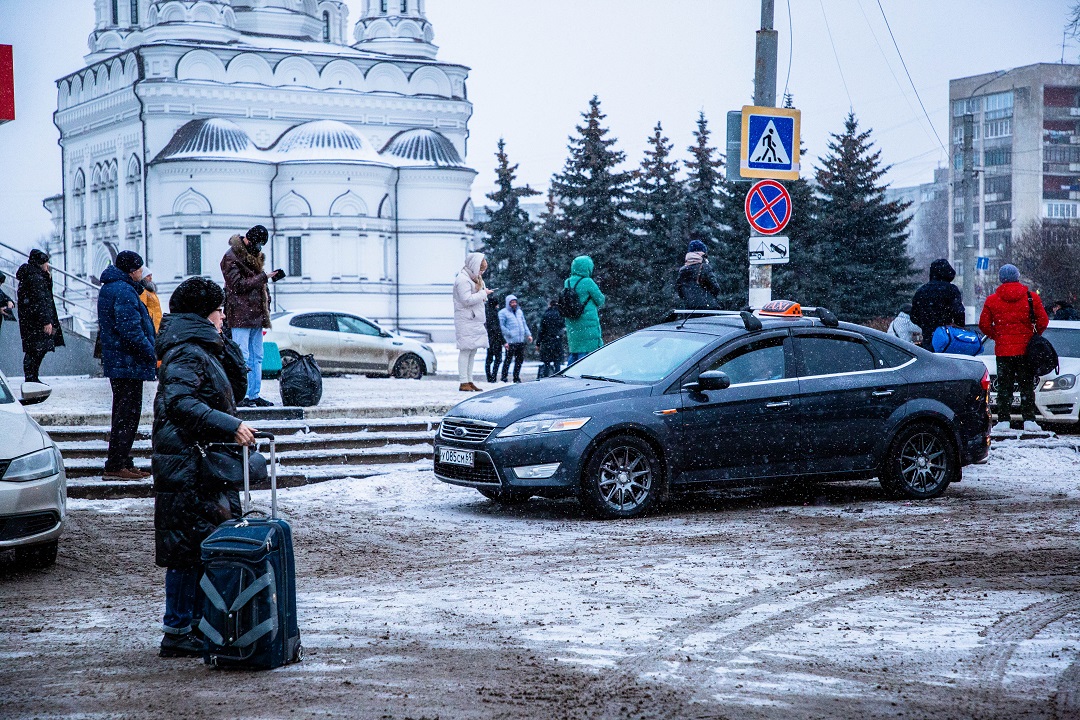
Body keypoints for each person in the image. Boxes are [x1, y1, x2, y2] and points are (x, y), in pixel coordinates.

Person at [152, 276, 254, 658]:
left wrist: (224, 345)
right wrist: (232, 426)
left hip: (200, 463)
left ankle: (192, 623)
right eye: (220, 310)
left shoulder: (201, 348)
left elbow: (232, 391)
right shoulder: (187, 353)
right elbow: (180, 403)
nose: (225, 316)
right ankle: (178, 628)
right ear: (204, 313)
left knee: (196, 545)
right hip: (188, 464)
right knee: (185, 549)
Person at [97, 251, 158, 481]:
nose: (142, 273)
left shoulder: (115, 287)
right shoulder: (122, 290)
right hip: (127, 363)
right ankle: (116, 464)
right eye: (140, 269)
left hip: (123, 362)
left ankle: (122, 460)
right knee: (127, 415)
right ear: (131, 270)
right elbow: (130, 329)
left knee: (125, 413)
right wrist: (151, 352)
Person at [979, 264, 1049, 433]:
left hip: (1003, 351)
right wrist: (1032, 335)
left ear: (1001, 279)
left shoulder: (992, 300)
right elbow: (1043, 321)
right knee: (1026, 386)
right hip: (1026, 350)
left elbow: (984, 325)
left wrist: (999, 336)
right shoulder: (1031, 298)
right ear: (1018, 277)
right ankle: (1029, 420)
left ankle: (1003, 420)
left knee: (1004, 386)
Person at [221, 226, 283, 407]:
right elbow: (237, 285)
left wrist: (267, 282)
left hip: (255, 313)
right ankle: (243, 396)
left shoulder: (250, 254)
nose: (259, 248)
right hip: (240, 314)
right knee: (243, 355)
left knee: (257, 356)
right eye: (258, 244)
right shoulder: (231, 257)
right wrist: (264, 277)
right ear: (248, 239)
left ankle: (254, 395)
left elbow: (254, 284)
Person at [16, 249, 64, 385]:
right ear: (40, 263)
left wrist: (48, 278)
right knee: (36, 350)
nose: (47, 265)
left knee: (35, 349)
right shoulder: (35, 277)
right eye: (46, 262)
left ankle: (32, 378)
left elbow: (42, 297)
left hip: (30, 321)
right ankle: (31, 378)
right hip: (36, 322)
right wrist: (46, 321)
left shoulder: (33, 275)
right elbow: (40, 300)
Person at [453, 252, 492, 392]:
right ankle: (464, 381)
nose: (482, 272)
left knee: (472, 351)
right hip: (466, 320)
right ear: (474, 266)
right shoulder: (463, 280)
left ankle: (469, 380)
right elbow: (466, 300)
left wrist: (483, 294)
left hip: (473, 320)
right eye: (481, 269)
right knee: (465, 351)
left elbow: (475, 298)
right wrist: (483, 294)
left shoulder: (475, 279)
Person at [910, 259, 966, 351]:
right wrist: (956, 327)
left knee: (930, 362)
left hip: (928, 338)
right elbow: (959, 313)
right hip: (948, 339)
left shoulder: (921, 291)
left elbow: (914, 316)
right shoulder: (951, 290)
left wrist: (926, 324)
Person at [563, 255, 605, 365]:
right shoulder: (588, 282)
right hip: (587, 323)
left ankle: (569, 375)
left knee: (575, 352)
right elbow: (600, 299)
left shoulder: (567, 282)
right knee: (587, 355)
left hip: (572, 323)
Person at [675, 239, 722, 310]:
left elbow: (680, 292)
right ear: (702, 253)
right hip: (707, 308)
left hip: (689, 310)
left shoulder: (682, 270)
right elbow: (715, 288)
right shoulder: (705, 267)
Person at [498, 294, 533, 383]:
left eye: (515, 302)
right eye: (512, 302)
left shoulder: (519, 312)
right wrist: (509, 333)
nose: (514, 304)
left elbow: (524, 324)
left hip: (520, 340)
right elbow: (501, 326)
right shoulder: (503, 313)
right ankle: (504, 377)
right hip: (510, 341)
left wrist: (528, 334)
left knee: (519, 360)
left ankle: (516, 377)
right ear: (508, 303)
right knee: (508, 360)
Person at [536, 299, 566, 378]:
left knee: (547, 362)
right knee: (557, 362)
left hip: (547, 341)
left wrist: (538, 343)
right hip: (557, 341)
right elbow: (563, 327)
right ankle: (557, 377)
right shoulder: (561, 314)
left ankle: (546, 377)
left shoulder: (546, 314)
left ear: (550, 305)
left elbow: (541, 330)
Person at [484, 295, 504, 383]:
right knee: (498, 358)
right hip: (496, 339)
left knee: (489, 358)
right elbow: (497, 328)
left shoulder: (486, 312)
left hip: (489, 338)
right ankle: (493, 376)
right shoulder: (494, 313)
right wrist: (503, 341)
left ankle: (489, 376)